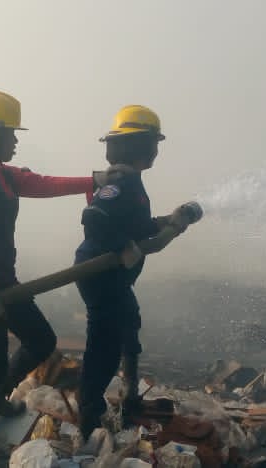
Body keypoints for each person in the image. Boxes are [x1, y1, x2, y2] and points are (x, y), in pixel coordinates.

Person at [0, 90, 105, 447]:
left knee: (40, 339)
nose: (16, 141)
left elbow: (44, 184)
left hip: (4, 283)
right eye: (12, 134)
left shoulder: (1, 174)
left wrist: (91, 182)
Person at [73, 105, 198, 437]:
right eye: (152, 143)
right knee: (104, 346)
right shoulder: (122, 181)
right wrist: (124, 247)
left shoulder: (134, 182)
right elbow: (94, 218)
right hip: (100, 276)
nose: (156, 151)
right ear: (137, 146)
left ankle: (130, 399)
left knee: (129, 324)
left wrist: (168, 222)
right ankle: (90, 420)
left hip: (116, 281)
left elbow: (139, 226)